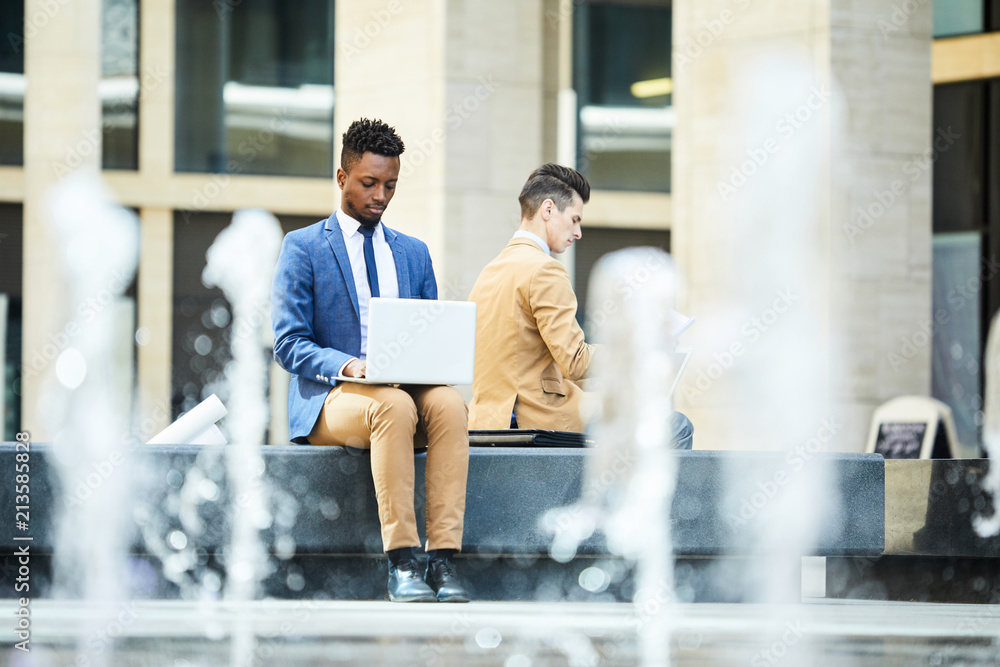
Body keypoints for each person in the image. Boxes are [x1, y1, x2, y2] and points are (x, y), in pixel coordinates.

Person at [272, 118, 470, 603]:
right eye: (369, 183)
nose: (380, 195)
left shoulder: (414, 254)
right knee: (393, 407)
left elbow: (431, 337)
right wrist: (351, 366)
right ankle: (402, 562)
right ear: (342, 178)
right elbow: (288, 342)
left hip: (405, 394)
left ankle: (442, 561)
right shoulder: (303, 248)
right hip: (334, 399)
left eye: (390, 185)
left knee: (448, 405)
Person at [467, 163, 694, 448]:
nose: (578, 232)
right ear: (548, 210)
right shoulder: (545, 270)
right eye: (574, 219)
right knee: (677, 426)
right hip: (540, 418)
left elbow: (523, 361)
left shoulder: (489, 271)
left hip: (487, 420)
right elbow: (574, 361)